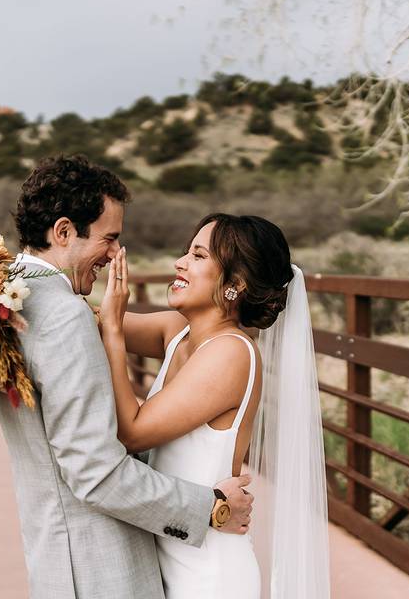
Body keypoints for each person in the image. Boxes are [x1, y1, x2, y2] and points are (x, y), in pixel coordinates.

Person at [0, 155, 254, 599]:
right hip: (97, 566)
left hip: (61, 553)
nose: (116, 254)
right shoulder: (62, 316)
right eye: (110, 238)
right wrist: (210, 507)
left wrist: (111, 324)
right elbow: (95, 473)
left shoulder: (8, 301)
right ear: (63, 232)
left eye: (197, 253)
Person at [99, 213, 330, 598]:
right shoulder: (178, 333)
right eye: (186, 252)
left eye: (198, 255)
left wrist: (112, 330)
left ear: (235, 285)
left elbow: (133, 432)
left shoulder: (231, 353)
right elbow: (83, 321)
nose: (179, 263)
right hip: (174, 555)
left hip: (208, 574)